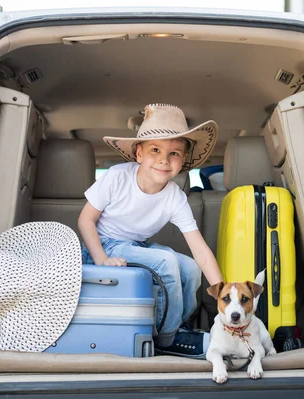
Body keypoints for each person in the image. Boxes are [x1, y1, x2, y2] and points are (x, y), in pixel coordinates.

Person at [78, 103, 223, 357]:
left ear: (183, 160)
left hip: (136, 247)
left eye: (175, 153)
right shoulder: (117, 177)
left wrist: (223, 293)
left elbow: (200, 250)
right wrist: (102, 259)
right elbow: (85, 221)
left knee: (190, 267)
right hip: (104, 246)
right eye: (155, 149)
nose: (164, 160)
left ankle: (176, 325)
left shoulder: (175, 197)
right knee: (166, 261)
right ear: (139, 154)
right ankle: (168, 339)